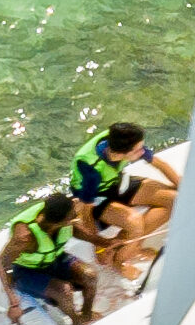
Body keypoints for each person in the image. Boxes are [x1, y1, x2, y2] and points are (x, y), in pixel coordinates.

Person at [66, 120, 182, 284]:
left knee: (175, 199)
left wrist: (182, 187)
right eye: (138, 149)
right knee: (135, 223)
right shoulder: (91, 170)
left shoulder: (121, 141)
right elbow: (86, 212)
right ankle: (118, 261)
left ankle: (128, 246)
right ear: (121, 154)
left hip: (115, 183)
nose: (143, 151)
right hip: (97, 198)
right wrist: (98, 247)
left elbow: (158, 163)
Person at [0, 188, 107, 325]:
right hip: (26, 271)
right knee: (64, 291)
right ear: (59, 222)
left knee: (90, 275)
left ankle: (87, 315)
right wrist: (13, 302)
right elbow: (2, 263)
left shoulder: (62, 208)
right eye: (71, 216)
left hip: (54, 259)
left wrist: (108, 243)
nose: (76, 214)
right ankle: (76, 321)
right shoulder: (25, 237)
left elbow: (80, 231)